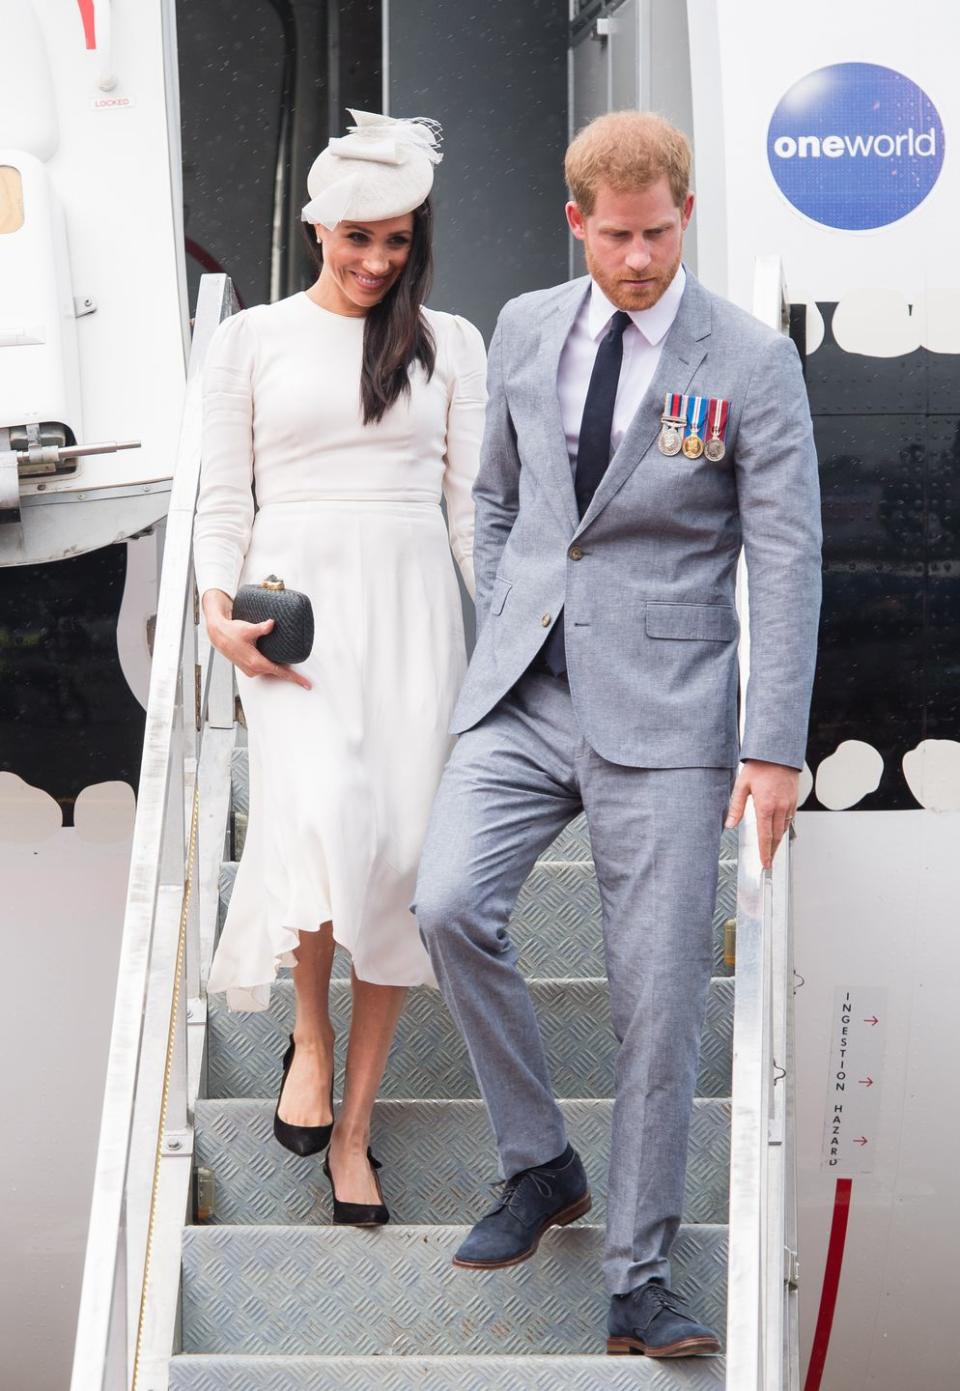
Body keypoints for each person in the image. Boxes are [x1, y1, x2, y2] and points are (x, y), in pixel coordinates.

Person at [415, 110, 821, 1356]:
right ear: (576, 221)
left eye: (658, 234)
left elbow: (789, 555)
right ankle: (540, 1160)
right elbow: (496, 499)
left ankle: (641, 1278)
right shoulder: (530, 324)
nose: (639, 259)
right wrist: (517, 619)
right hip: (526, 692)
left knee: (660, 1002)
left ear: (683, 215)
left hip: (672, 713)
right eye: (617, 237)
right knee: (444, 904)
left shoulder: (748, 358)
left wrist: (774, 743)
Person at [194, 109, 485, 1225]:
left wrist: (512, 638)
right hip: (296, 617)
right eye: (358, 237)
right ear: (318, 223)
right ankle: (306, 1035)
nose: (376, 262)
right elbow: (227, 498)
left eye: (399, 241)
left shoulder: (449, 341)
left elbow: (473, 514)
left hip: (414, 616)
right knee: (325, 821)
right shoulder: (252, 338)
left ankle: (355, 1128)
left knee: (400, 858)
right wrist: (217, 611)